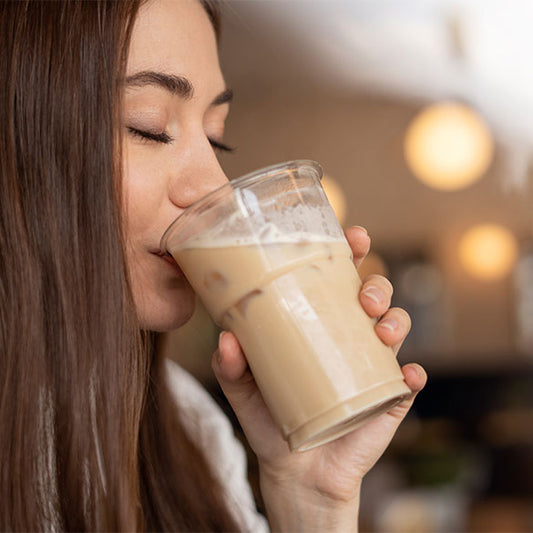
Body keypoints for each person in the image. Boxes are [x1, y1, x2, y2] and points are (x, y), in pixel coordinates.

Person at [0, 0, 427, 530]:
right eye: (149, 127)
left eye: (216, 136)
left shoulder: (188, 427)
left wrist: (313, 499)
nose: (215, 187)